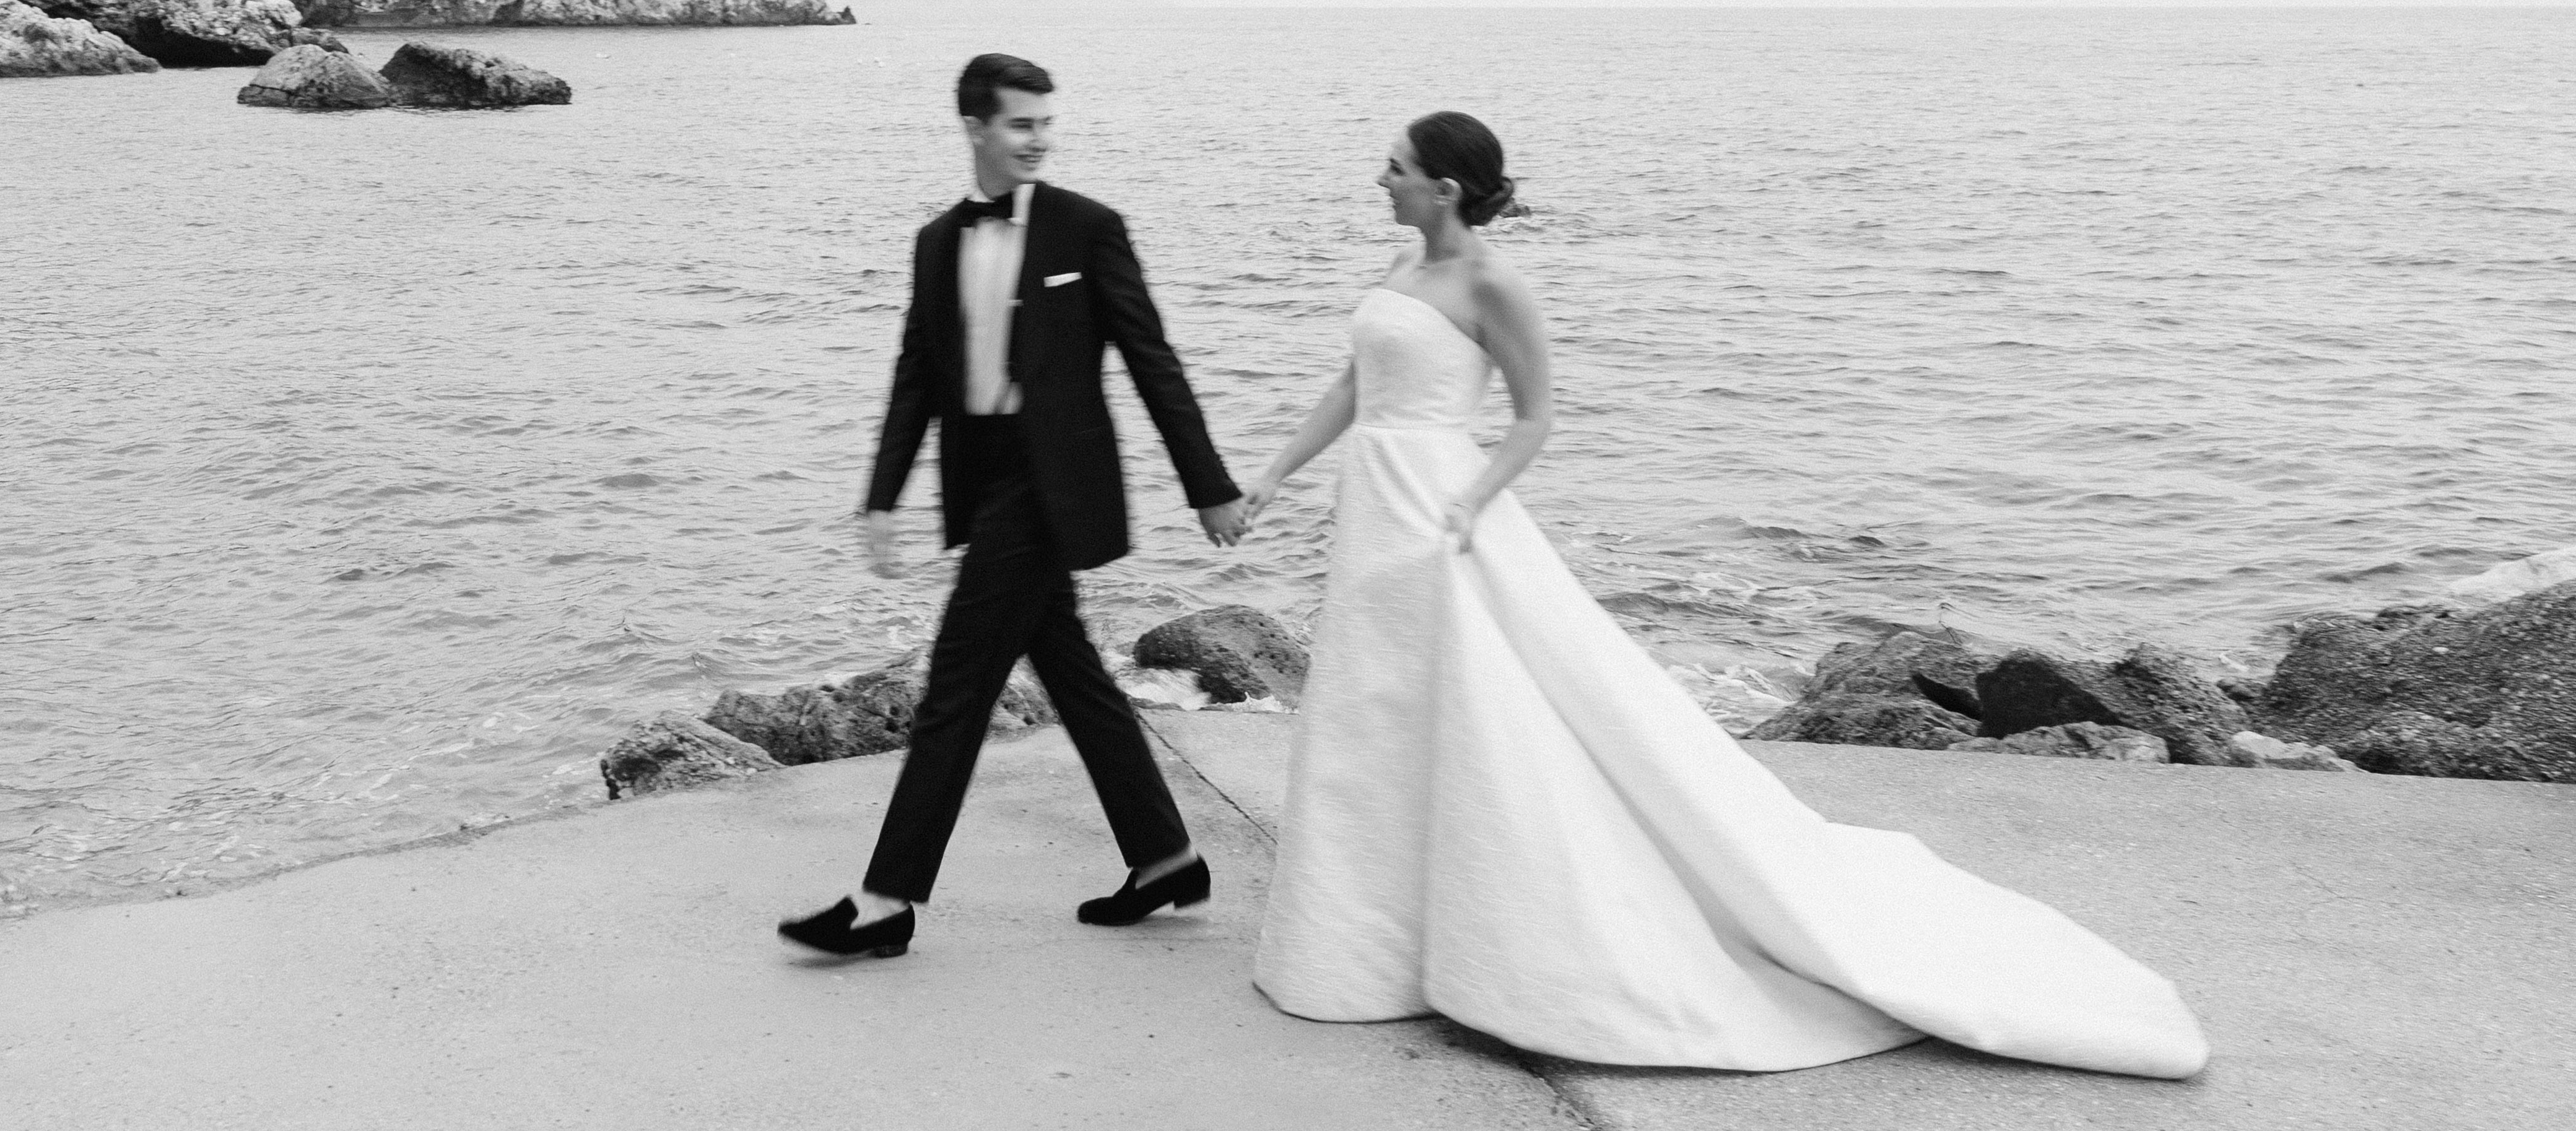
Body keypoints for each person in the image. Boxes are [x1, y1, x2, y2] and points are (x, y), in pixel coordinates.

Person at [1237, 111, 2208, 1077]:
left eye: (1396, 168)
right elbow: (1352, 387)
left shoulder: (1492, 281)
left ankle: (1487, 932)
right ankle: (1365, 943)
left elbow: (1535, 416)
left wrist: (1472, 501)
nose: (1382, 179)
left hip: (1442, 510)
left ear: (1445, 188)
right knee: (1372, 713)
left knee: (1481, 714)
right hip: (1374, 506)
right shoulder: (1402, 272)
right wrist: (1274, 476)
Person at [776, 53, 1250, 959]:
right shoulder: (936, 241)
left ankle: (885, 901)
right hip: (984, 477)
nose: (1040, 138)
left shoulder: (1088, 229)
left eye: (1046, 121)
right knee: (1072, 673)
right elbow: (917, 375)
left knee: (956, 684)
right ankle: (1165, 857)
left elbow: (1154, 360)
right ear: (975, 129)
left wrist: (1210, 487)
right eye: (1022, 123)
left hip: (1050, 488)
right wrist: (882, 497)